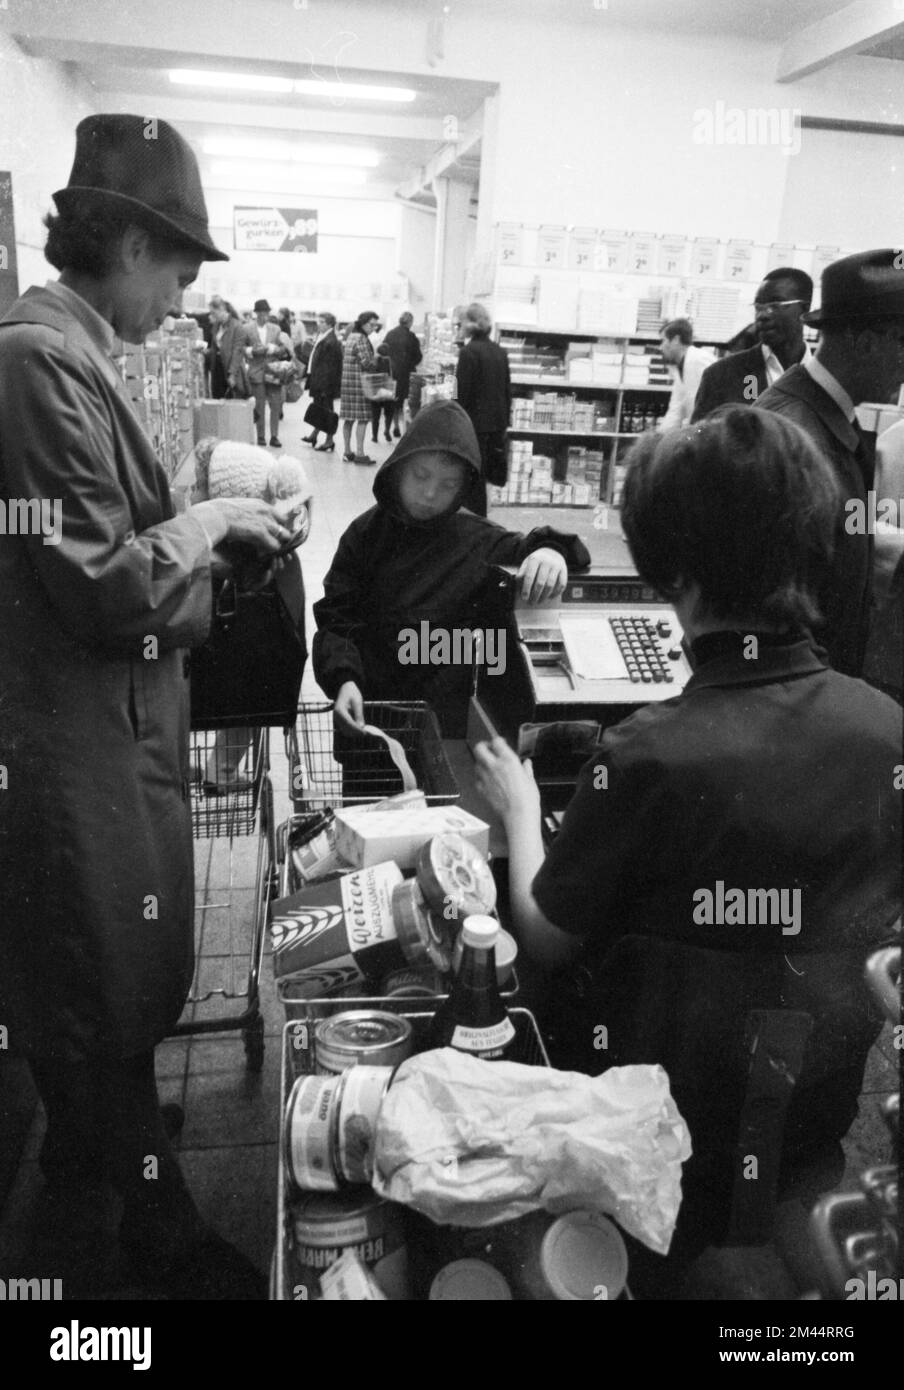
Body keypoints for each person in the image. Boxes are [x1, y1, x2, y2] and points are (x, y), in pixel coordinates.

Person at [473, 406, 900, 1284]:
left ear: (676, 579)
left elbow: (546, 935)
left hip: (655, 1134)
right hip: (813, 1123)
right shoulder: (887, 730)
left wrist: (520, 808)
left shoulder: (647, 754)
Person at [0, 113, 295, 1299]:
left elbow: (112, 530)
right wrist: (210, 526)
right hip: (72, 747)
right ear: (121, 238)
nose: (181, 297)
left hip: (105, 733)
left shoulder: (73, 352)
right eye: (177, 267)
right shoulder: (33, 358)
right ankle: (156, 1246)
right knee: (96, 988)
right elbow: (98, 578)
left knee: (107, 980)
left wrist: (212, 503)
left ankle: (94, 1177)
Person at [313, 398, 591, 739]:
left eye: (447, 485)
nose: (429, 493)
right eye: (420, 475)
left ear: (463, 489)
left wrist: (551, 551)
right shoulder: (364, 535)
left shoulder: (478, 539)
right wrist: (344, 679)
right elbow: (335, 620)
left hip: (441, 728)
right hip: (369, 718)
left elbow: (531, 549)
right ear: (399, 466)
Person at [755, 248, 904, 680]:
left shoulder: (831, 415)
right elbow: (772, 599)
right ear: (864, 342)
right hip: (798, 700)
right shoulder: (794, 433)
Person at [691, 267, 814, 420]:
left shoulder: (825, 376)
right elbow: (700, 439)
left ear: (805, 309)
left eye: (775, 305)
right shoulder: (721, 375)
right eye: (758, 307)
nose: (762, 315)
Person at [455, 302, 512, 516]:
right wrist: (504, 423)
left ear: (469, 324)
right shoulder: (500, 352)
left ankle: (475, 520)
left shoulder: (468, 352)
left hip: (474, 424)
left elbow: (459, 391)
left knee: (473, 476)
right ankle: (480, 518)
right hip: (496, 424)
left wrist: (453, 413)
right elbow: (507, 390)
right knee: (486, 472)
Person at [244, 296, 291, 447]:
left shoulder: (276, 329)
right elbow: (242, 349)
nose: (265, 316)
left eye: (267, 313)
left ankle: (275, 436)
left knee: (276, 405)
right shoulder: (247, 328)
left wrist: (275, 349)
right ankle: (261, 436)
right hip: (256, 371)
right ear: (256, 313)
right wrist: (251, 350)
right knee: (259, 406)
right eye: (262, 313)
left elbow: (284, 349)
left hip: (273, 372)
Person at [657, 318, 714, 430]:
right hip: (701, 429)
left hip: (713, 429)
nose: (660, 347)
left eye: (663, 341)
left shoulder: (699, 360)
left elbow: (706, 405)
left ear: (676, 340)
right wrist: (657, 440)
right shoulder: (679, 368)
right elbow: (676, 410)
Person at [340, 309, 380, 464]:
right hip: (359, 384)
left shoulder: (351, 336)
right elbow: (367, 363)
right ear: (363, 323)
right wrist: (376, 357)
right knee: (363, 419)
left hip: (347, 383)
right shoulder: (362, 339)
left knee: (348, 419)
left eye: (376, 325)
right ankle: (360, 453)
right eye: (371, 324)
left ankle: (347, 451)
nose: (373, 328)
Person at [302, 311, 343, 451]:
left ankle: (329, 440)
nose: (319, 324)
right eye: (319, 321)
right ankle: (314, 435)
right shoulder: (323, 337)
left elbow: (330, 368)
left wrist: (325, 387)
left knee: (327, 411)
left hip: (325, 383)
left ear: (330, 324)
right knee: (320, 409)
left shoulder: (330, 341)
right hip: (319, 381)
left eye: (322, 322)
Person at [380, 310, 422, 437]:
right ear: (410, 322)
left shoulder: (390, 334)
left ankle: (392, 427)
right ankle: (405, 429)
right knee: (407, 401)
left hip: (393, 372)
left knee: (393, 400)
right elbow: (418, 356)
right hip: (407, 373)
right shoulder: (412, 337)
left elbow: (382, 350)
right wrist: (411, 363)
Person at [207, 297, 249, 398]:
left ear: (222, 310)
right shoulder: (216, 326)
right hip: (217, 369)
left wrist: (232, 374)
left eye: (214, 313)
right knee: (218, 400)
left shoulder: (237, 327)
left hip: (231, 370)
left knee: (232, 402)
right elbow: (216, 348)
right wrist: (207, 351)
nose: (212, 316)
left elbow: (238, 352)